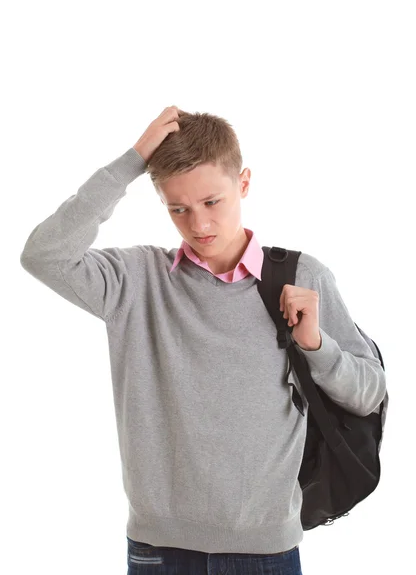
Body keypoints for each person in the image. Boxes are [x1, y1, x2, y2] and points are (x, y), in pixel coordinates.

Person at [20, 106, 386, 574]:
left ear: (244, 184)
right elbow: (43, 255)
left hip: (266, 550)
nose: (198, 225)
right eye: (179, 208)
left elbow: (369, 394)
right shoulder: (136, 280)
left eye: (212, 202)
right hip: (158, 549)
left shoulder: (301, 276)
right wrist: (133, 160)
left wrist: (317, 346)